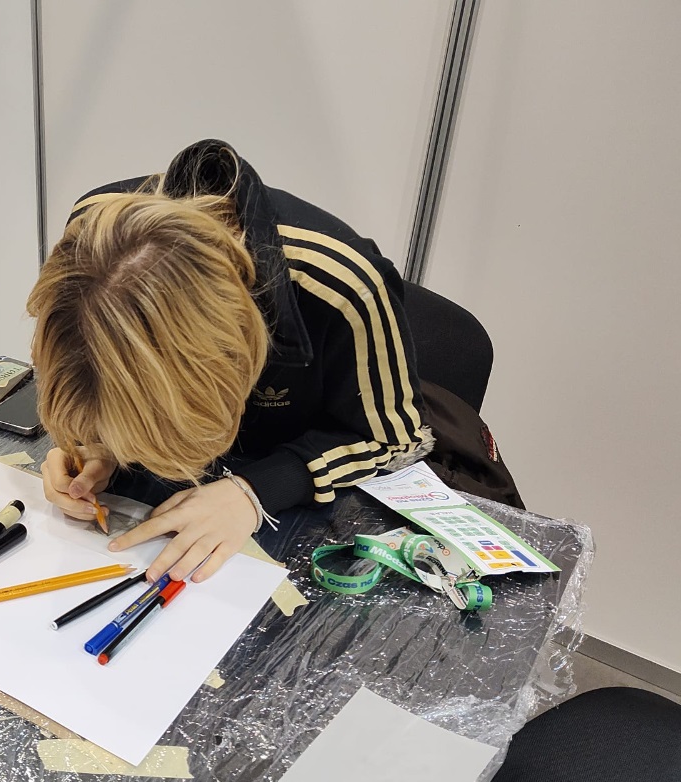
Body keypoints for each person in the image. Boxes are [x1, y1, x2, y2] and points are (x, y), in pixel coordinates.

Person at [30, 139, 432, 584]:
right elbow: (90, 372)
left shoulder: (340, 285)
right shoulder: (89, 235)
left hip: (294, 495)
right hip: (167, 490)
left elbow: (396, 438)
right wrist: (95, 446)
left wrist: (255, 491)